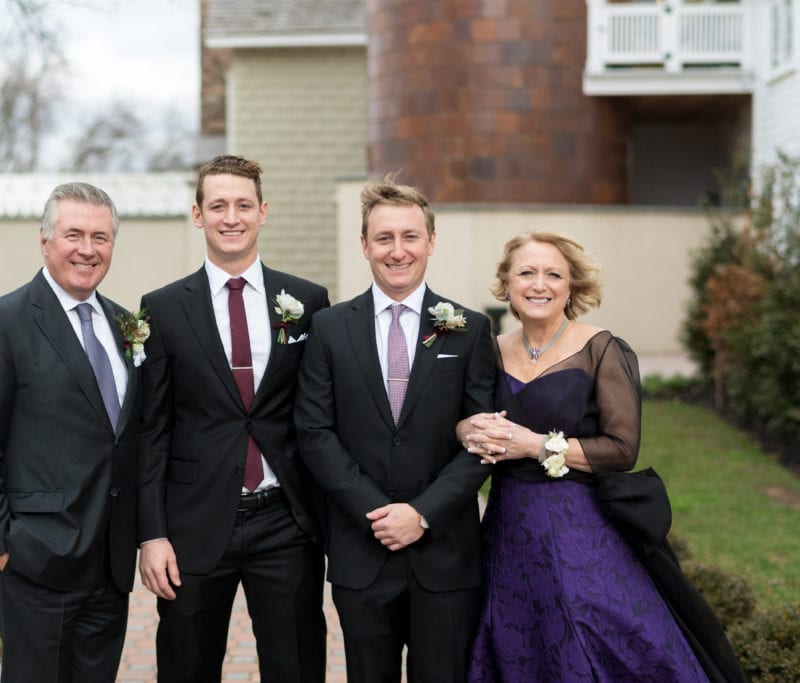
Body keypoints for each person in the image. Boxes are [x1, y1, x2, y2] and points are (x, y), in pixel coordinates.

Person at [458, 229, 745, 682]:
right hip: (508, 526)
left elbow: (622, 448)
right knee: (514, 639)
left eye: (553, 274)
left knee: (596, 629)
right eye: (526, 273)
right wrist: (464, 427)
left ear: (571, 286)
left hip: (581, 523)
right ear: (506, 283)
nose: (539, 284)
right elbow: (464, 418)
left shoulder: (601, 349)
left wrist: (535, 445)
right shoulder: (488, 352)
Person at [294, 175, 496, 682]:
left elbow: (483, 440)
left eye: (410, 237)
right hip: (363, 550)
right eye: (384, 238)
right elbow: (315, 433)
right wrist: (378, 515)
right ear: (365, 245)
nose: (397, 251)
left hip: (445, 552)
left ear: (430, 241)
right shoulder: (329, 327)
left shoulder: (469, 330)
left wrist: (422, 515)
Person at [137, 154, 329, 682]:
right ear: (197, 215)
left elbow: (320, 415)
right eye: (217, 205)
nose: (231, 217)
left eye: (243, 205)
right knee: (186, 668)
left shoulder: (308, 302)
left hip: (285, 522)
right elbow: (152, 429)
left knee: (297, 666)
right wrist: (151, 534)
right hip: (193, 524)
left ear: (263, 212)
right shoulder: (163, 308)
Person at [0, 182, 142, 683]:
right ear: (45, 240)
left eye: (100, 237)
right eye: (73, 233)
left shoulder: (124, 324)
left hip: (109, 565)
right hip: (36, 560)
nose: (87, 248)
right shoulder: (0, 323)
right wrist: (2, 546)